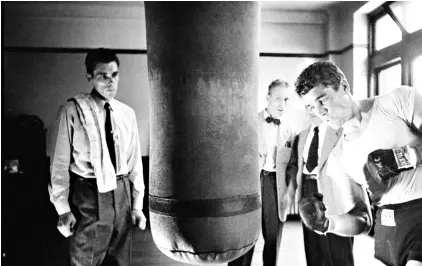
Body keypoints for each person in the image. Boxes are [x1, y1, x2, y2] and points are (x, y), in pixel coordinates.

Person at [294, 60, 422, 266]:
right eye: (311, 107)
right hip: (389, 236)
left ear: (344, 86)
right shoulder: (339, 154)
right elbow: (362, 219)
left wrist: (409, 156)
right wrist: (327, 223)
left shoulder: (397, 101)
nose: (319, 112)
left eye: (322, 100)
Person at [48, 48, 147, 266]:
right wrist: (63, 209)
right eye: (103, 76)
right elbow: (59, 163)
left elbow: (134, 163)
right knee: (86, 258)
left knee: (120, 260)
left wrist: (137, 206)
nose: (110, 82)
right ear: (90, 78)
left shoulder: (126, 113)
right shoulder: (72, 110)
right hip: (88, 194)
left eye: (114, 75)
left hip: (122, 195)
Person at [229, 79, 299, 266]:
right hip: (250, 185)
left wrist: (290, 190)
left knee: (273, 238)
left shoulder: (290, 129)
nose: (282, 105)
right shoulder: (249, 122)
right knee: (244, 235)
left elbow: (292, 164)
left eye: (286, 100)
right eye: (278, 99)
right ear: (267, 98)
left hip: (275, 187)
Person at [286, 108, 362, 266]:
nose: (311, 110)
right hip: (307, 188)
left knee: (338, 242)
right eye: (307, 107)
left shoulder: (339, 131)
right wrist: (290, 189)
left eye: (313, 106)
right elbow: (293, 165)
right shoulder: (301, 136)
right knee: (313, 244)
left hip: (334, 190)